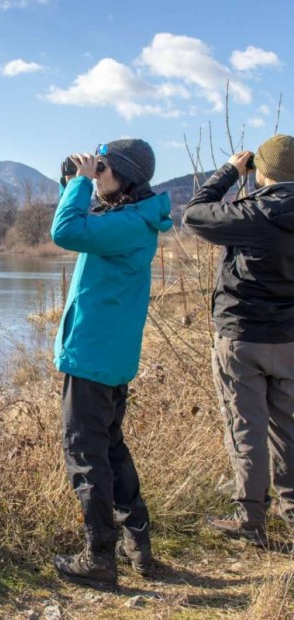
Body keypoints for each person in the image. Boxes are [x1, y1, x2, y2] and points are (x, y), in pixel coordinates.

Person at [50, 139, 172, 589]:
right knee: (111, 449)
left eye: (104, 169)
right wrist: (74, 182)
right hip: (108, 356)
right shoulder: (131, 218)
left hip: (93, 357)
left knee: (86, 456)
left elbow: (65, 232)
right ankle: (137, 546)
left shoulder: (129, 224)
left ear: (125, 176)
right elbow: (80, 221)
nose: (97, 174)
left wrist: (82, 183)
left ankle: (99, 557)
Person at [183, 134, 294, 546]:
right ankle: (292, 511)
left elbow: (194, 215)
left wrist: (230, 171)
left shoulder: (252, 213)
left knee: (246, 426)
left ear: (261, 170)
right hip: (290, 339)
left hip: (243, 336)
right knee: (289, 429)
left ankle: (251, 520)